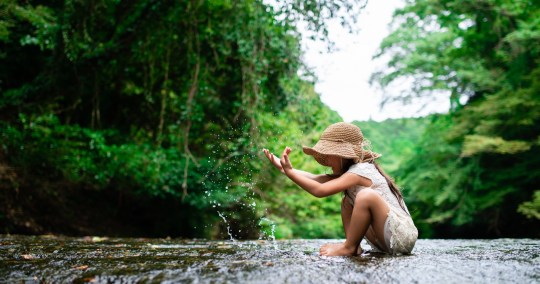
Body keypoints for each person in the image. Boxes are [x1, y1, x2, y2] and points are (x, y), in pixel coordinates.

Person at [263, 122, 418, 256]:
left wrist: (289, 172)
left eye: (329, 155)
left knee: (365, 196)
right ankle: (354, 246)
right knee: (347, 201)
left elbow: (319, 190)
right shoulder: (349, 173)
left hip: (401, 238)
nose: (327, 160)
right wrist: (285, 170)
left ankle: (348, 247)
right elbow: (315, 178)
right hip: (384, 239)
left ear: (342, 155)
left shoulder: (361, 171)